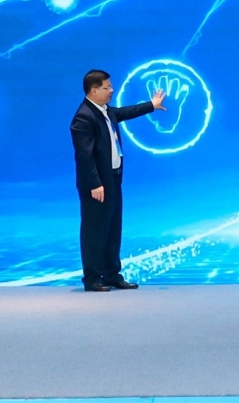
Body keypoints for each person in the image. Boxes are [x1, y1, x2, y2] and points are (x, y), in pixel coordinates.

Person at [71, 69, 167, 292]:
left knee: (113, 229)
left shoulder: (105, 111)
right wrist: (95, 183)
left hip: (112, 180)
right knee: (95, 231)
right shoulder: (84, 117)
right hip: (97, 185)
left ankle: (112, 274)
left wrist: (151, 105)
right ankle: (92, 278)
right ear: (94, 90)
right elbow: (84, 156)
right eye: (107, 87)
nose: (112, 90)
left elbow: (124, 112)